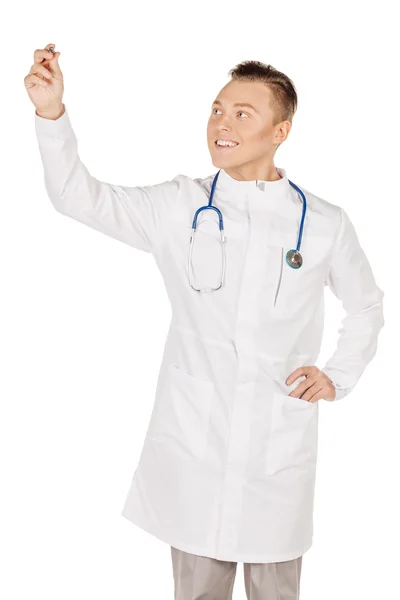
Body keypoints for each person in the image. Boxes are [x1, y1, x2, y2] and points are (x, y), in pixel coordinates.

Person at [25, 45, 385, 599]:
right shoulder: (178, 206)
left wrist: (338, 375)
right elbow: (77, 196)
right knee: (197, 590)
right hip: (198, 444)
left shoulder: (324, 224)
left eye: (244, 113)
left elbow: (365, 305)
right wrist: (51, 114)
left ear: (280, 131)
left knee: (276, 589)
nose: (222, 123)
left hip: (276, 447)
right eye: (217, 109)